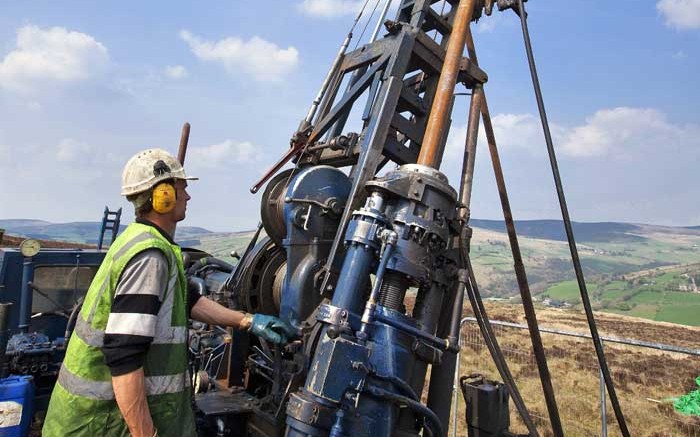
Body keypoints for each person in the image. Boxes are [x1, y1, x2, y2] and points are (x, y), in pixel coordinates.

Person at [42, 148, 291, 437]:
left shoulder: (143, 240)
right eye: (182, 188)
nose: (188, 197)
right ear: (163, 196)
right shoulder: (150, 257)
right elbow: (125, 359)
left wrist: (248, 321)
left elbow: (186, 301)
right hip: (104, 424)